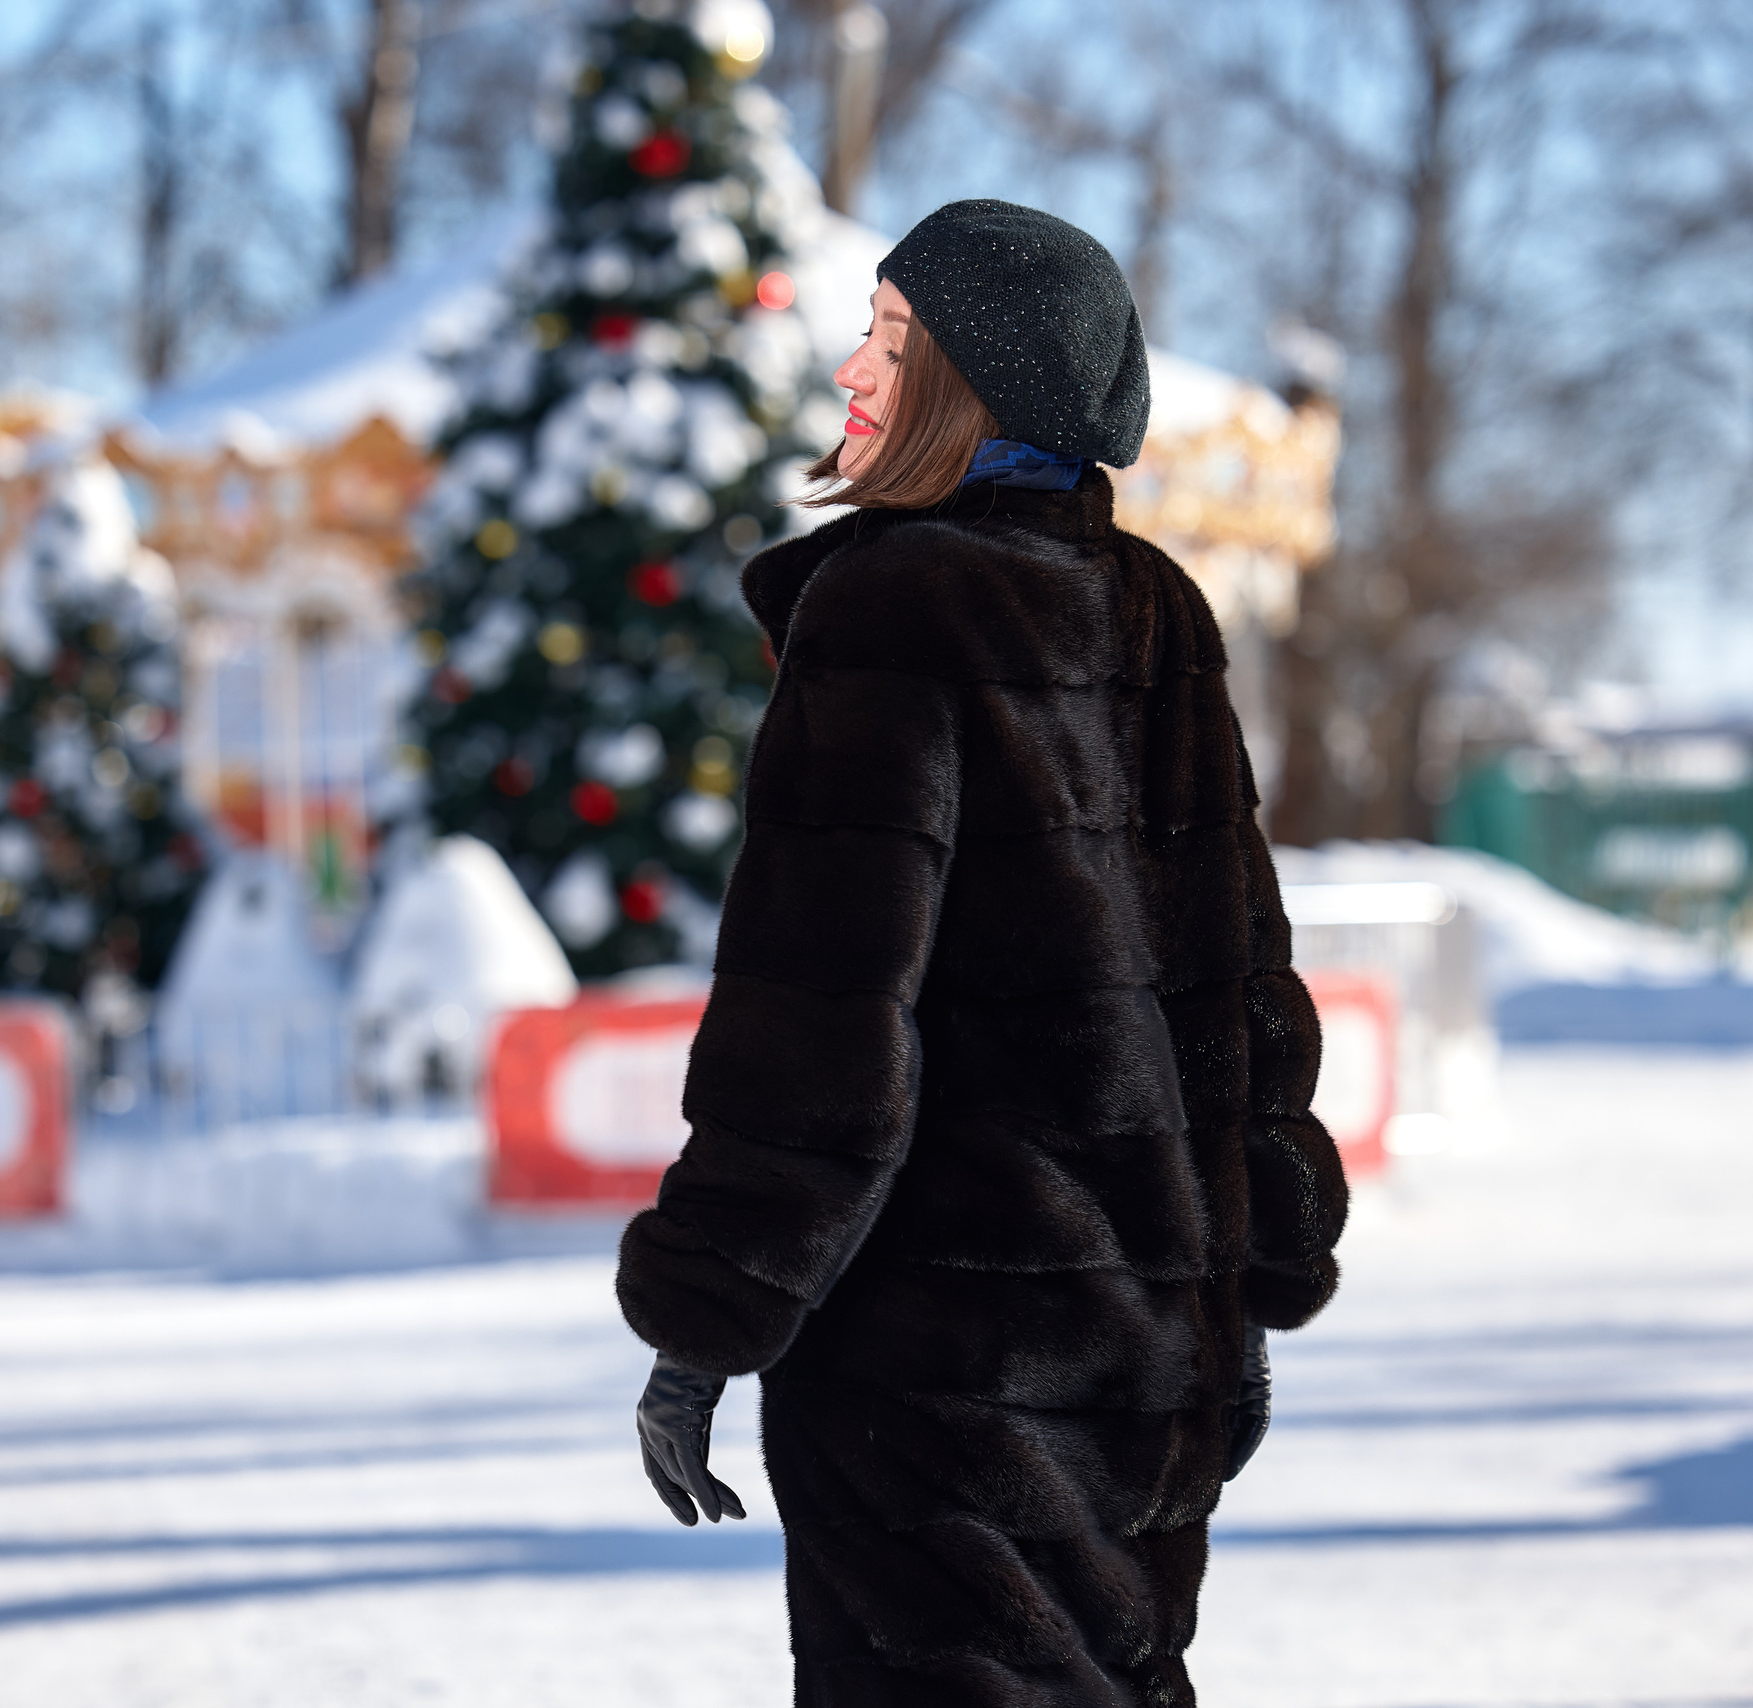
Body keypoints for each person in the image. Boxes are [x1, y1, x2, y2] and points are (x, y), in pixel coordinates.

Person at [615, 198, 1347, 1707]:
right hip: (1151, 1352)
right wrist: (1246, 1285)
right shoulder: (1159, 611)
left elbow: (824, 1024)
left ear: (978, 379)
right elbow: (1243, 985)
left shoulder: (893, 608)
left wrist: (707, 1319)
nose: (851, 374)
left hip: (939, 1362)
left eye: (891, 340)